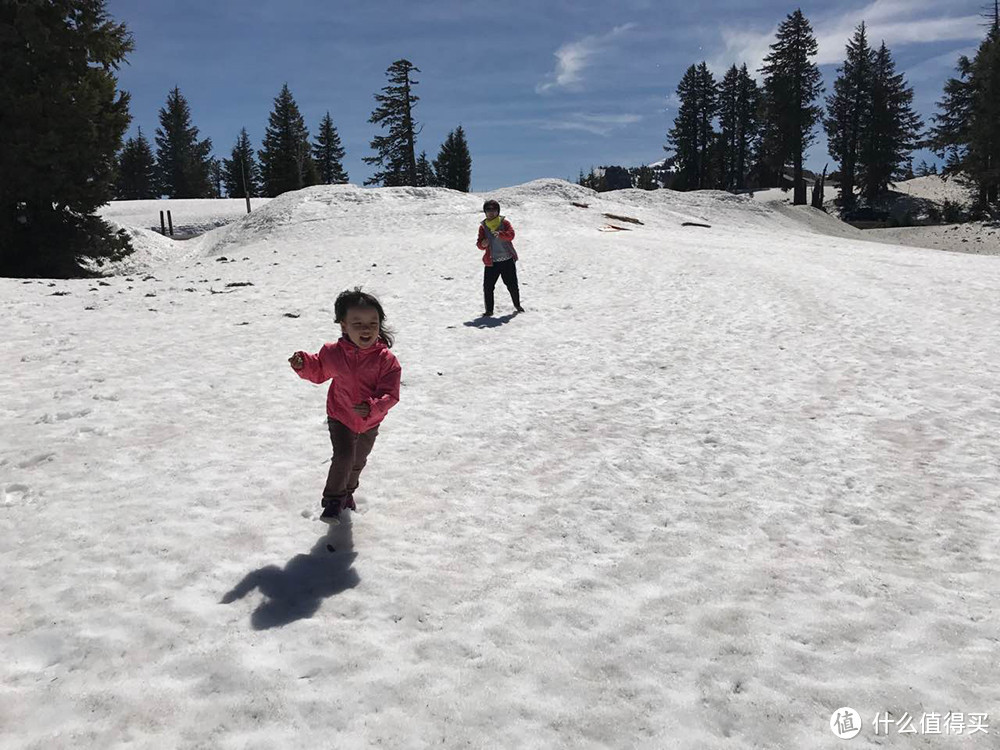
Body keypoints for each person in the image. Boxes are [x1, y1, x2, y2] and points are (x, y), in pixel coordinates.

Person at [289, 289, 401, 524]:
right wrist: (303, 364)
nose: (366, 329)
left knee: (358, 461)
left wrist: (372, 407)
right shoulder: (333, 353)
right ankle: (332, 501)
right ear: (343, 326)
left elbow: (391, 394)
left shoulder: (386, 360)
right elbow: (319, 371)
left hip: (370, 421)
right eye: (357, 323)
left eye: (373, 323)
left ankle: (348, 494)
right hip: (340, 415)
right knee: (344, 456)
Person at [477, 199, 524, 316]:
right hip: (491, 262)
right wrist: (482, 244)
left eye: (494, 210)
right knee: (488, 287)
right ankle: (489, 311)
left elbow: (511, 235)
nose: (491, 212)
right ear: (485, 212)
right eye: (488, 210)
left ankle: (517, 305)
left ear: (498, 211)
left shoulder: (504, 223)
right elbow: (479, 244)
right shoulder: (483, 227)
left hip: (507, 260)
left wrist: (501, 234)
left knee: (512, 285)